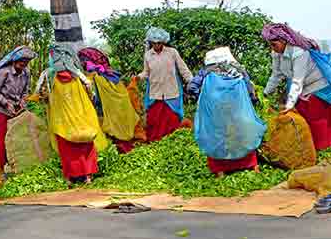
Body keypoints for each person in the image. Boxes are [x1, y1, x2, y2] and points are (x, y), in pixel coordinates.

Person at [188, 47, 264, 177]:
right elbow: (250, 89)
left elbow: (192, 87)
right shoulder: (237, 70)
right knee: (242, 134)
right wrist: (253, 100)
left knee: (217, 136)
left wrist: (202, 98)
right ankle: (252, 165)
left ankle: (220, 170)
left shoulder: (207, 71)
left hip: (216, 111)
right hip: (236, 109)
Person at [35, 44, 102, 185]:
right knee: (85, 145)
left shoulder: (48, 74)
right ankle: (88, 177)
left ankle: (69, 178)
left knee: (67, 148)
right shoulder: (77, 74)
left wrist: (45, 98)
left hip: (62, 120)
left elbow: (38, 93)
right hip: (82, 117)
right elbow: (90, 89)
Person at [262, 23, 331, 150]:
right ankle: (311, 147)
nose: (272, 48)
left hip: (317, 84)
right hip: (302, 87)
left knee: (317, 120)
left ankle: (323, 148)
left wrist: (289, 105)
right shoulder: (276, 53)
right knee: (304, 117)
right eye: (269, 44)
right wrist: (265, 93)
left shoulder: (299, 52)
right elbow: (276, 75)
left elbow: (297, 80)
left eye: (274, 44)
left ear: (284, 41)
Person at [78, 47, 142, 153]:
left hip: (108, 113)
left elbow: (96, 99)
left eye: (84, 62)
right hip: (118, 112)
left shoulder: (97, 78)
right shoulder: (110, 75)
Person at [136, 27, 193, 141]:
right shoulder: (148, 55)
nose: (156, 45)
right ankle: (155, 141)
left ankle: (172, 141)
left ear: (163, 42)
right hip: (155, 92)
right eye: (154, 43)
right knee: (154, 120)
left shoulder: (172, 53)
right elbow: (147, 72)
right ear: (151, 42)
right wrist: (138, 77)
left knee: (171, 119)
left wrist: (192, 81)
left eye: (159, 43)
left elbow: (183, 69)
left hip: (171, 91)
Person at [0, 46, 37, 172]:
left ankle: (15, 166)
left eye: (26, 63)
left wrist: (22, 102)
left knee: (16, 138)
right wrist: (6, 103)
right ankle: (0, 170)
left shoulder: (26, 73)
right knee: (0, 140)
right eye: (21, 62)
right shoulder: (4, 72)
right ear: (14, 60)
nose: (23, 65)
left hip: (15, 110)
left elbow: (26, 91)